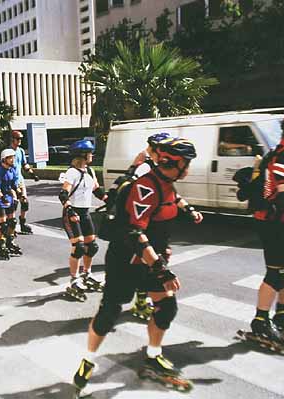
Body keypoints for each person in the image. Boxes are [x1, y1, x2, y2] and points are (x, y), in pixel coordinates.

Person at [71, 139, 198, 396]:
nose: (189, 168)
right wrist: (161, 267)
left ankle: (153, 356)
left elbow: (164, 217)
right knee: (110, 312)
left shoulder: (167, 184)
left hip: (150, 257)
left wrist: (182, 221)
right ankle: (88, 361)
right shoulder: (147, 187)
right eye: (187, 163)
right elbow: (135, 232)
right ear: (177, 163)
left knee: (166, 307)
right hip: (126, 259)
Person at [123, 133, 203, 320]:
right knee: (146, 269)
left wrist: (189, 210)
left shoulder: (162, 172)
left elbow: (171, 196)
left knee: (148, 269)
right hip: (146, 229)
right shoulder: (145, 171)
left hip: (158, 232)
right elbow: (138, 208)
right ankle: (141, 301)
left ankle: (146, 299)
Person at [247, 115, 284, 347]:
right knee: (276, 273)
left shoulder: (281, 152)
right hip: (273, 222)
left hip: (281, 221)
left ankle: (283, 313)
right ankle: (260, 321)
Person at [58, 140, 107, 302]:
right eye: (90, 153)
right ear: (83, 155)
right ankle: (74, 280)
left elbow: (97, 191)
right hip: (71, 212)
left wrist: (112, 200)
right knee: (78, 247)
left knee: (91, 246)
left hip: (85, 213)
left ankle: (86, 274)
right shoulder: (72, 172)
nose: (92, 155)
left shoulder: (90, 171)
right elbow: (63, 194)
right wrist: (70, 209)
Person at [0, 148, 21, 260]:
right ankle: (1, 246)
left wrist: (18, 193)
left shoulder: (11, 170)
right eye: (10, 158)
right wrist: (2, 197)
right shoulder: (0, 171)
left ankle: (10, 242)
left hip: (9, 198)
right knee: (3, 225)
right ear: (4, 159)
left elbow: (13, 185)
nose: (12, 159)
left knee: (12, 222)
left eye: (13, 157)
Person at [8, 130, 40, 235]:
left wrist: (32, 174)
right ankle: (10, 226)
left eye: (21, 139)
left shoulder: (21, 151)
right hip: (10, 181)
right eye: (18, 139)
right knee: (14, 204)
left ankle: (22, 224)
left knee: (25, 203)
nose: (20, 141)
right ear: (12, 139)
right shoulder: (7, 152)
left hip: (20, 180)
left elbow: (24, 165)